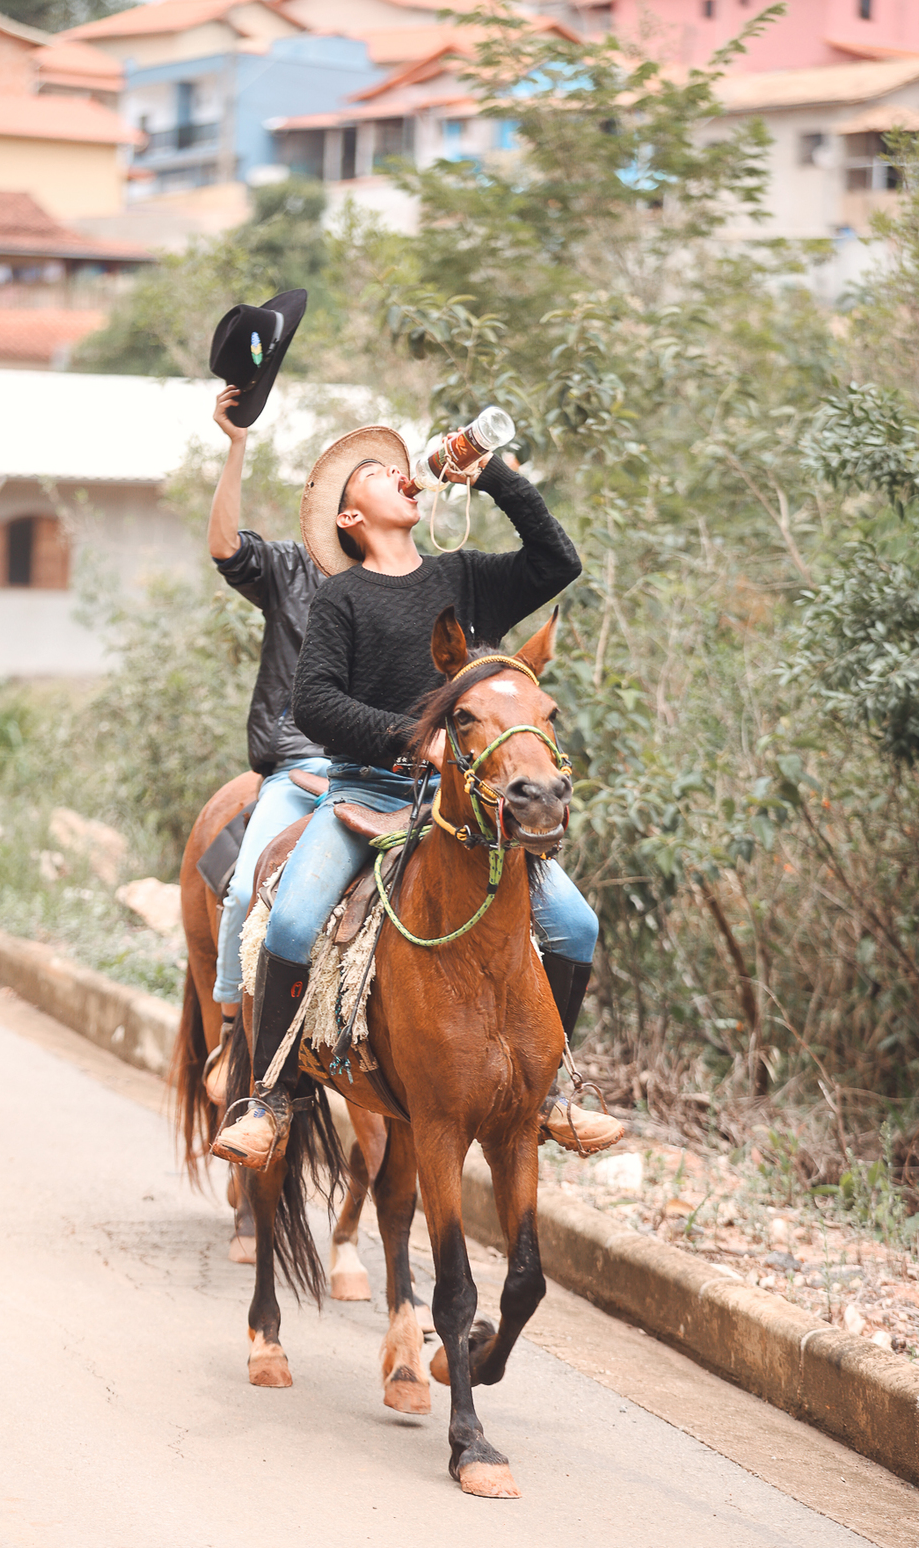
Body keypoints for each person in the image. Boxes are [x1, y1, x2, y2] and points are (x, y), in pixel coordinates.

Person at [212, 424, 624, 1170]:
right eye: (376, 472)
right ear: (350, 516)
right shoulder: (340, 598)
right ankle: (270, 1101)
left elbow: (557, 560)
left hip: (462, 806)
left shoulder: (464, 577)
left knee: (576, 925)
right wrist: (415, 738)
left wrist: (490, 474)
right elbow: (314, 704)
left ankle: (546, 1093)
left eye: (401, 468)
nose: (400, 475)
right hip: (363, 793)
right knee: (291, 922)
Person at [203, 382, 330, 1103]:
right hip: (297, 763)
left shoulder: (405, 584)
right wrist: (238, 446)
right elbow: (225, 547)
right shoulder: (290, 569)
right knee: (243, 892)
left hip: (386, 774)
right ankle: (231, 1028)